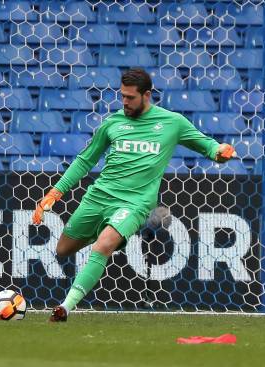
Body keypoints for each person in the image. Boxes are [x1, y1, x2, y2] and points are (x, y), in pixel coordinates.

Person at [33, 68, 236, 322]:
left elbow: (205, 144)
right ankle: (125, 230)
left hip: (136, 202)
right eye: (122, 97)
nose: (125, 102)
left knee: (103, 245)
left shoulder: (172, 123)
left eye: (130, 97)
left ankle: (65, 307)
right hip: (99, 197)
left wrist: (220, 150)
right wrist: (55, 192)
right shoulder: (113, 123)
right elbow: (85, 161)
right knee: (62, 250)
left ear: (147, 95)